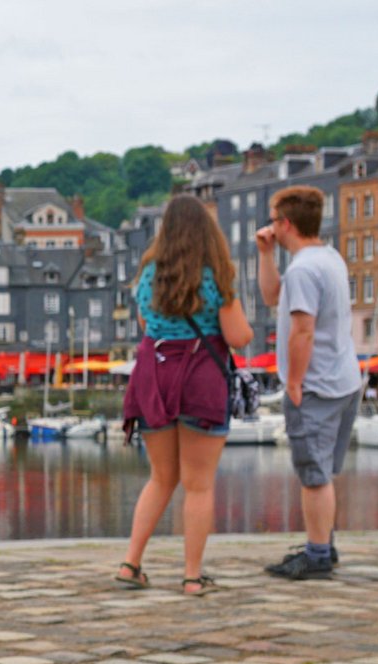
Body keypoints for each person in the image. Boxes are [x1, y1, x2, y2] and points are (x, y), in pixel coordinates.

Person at [118, 194, 254, 595]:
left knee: (160, 479)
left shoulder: (147, 276)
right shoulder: (217, 277)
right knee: (198, 484)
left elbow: (147, 324)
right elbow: (238, 336)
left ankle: (131, 564)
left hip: (153, 378)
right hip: (200, 379)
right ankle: (192, 576)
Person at [257, 185, 362, 580]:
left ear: (286, 223)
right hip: (344, 379)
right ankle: (324, 543)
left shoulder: (303, 269)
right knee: (324, 471)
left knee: (313, 475)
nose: (269, 226)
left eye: (272, 219)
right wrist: (265, 255)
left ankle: (317, 555)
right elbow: (272, 297)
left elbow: (302, 329)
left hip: (316, 384)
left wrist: (295, 383)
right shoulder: (328, 258)